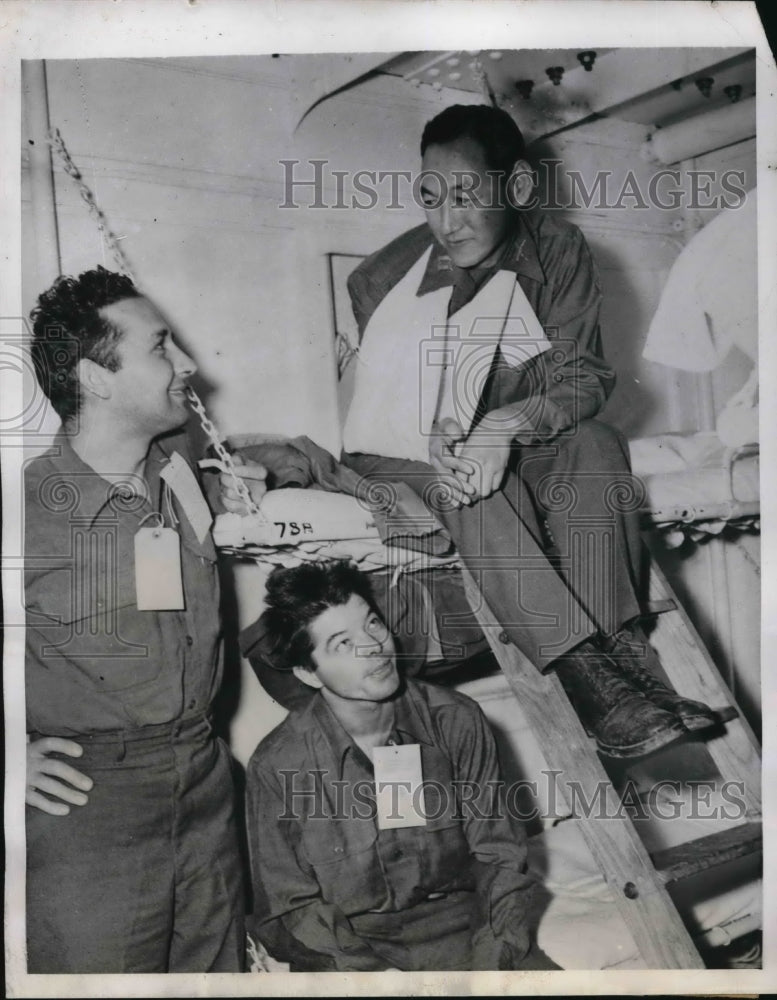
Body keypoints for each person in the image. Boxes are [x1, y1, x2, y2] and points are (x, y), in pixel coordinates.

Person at [340, 104, 716, 758]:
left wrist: (506, 423)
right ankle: (583, 670)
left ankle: (621, 658)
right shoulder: (380, 279)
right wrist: (442, 430)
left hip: (507, 446)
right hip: (403, 453)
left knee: (597, 441)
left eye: (465, 196)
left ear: (514, 188)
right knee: (465, 481)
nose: (445, 221)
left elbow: (583, 379)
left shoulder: (557, 251)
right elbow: (385, 411)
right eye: (430, 197)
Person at [24, 266, 268, 973]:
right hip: (92, 805)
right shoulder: (29, 509)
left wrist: (260, 478)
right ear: (96, 379)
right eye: (162, 347)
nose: (188, 364)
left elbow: (260, 461)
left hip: (205, 779)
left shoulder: (180, 466)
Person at [246, 561, 557, 972]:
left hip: (467, 926)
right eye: (341, 643)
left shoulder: (455, 720)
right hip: (350, 949)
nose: (373, 646)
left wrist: (490, 960)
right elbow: (288, 910)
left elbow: (499, 857)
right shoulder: (278, 765)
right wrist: (378, 980)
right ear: (308, 673)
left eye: (373, 624)